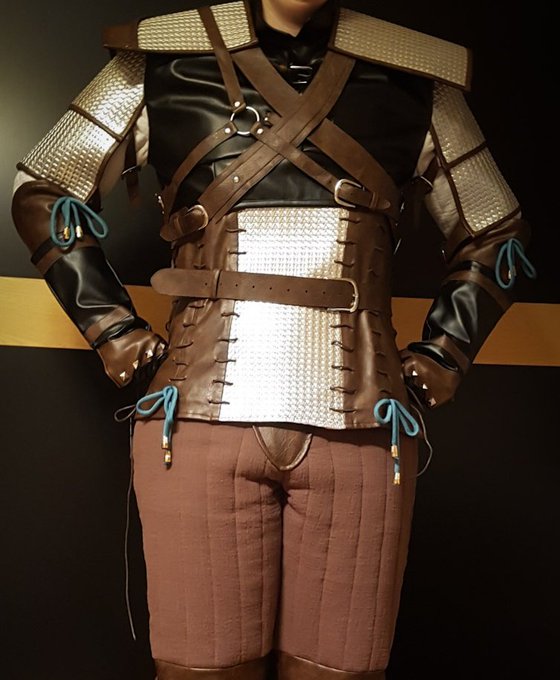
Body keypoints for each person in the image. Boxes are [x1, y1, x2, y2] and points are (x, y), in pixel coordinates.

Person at [11, 0, 535, 678]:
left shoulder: (418, 80)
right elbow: (44, 188)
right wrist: (113, 330)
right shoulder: (155, 65)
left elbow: (497, 230)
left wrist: (443, 354)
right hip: (195, 426)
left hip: (363, 434)